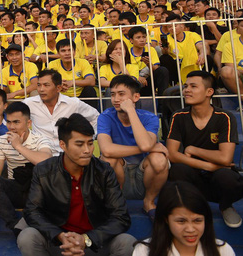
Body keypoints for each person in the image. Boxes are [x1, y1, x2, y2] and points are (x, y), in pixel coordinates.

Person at [16, 113, 136, 256]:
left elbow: (121, 216)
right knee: (27, 236)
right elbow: (32, 211)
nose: (87, 150)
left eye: (90, 143)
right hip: (60, 244)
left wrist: (87, 239)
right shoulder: (44, 171)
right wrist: (59, 236)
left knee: (127, 242)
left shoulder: (104, 171)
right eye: (79, 144)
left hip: (93, 245)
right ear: (63, 145)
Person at [166, 70, 243, 228]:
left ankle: (225, 205)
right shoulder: (178, 116)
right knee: (177, 170)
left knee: (227, 177)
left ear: (209, 92)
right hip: (193, 176)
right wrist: (208, 165)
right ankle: (190, 209)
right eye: (186, 86)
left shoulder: (224, 117)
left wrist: (193, 149)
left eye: (193, 86)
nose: (187, 90)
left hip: (218, 176)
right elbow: (172, 155)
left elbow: (225, 158)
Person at [97, 75, 169, 219]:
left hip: (144, 173)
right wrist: (151, 147)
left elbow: (145, 144)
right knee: (107, 159)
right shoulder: (105, 116)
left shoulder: (149, 118)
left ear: (135, 97)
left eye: (121, 94)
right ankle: (117, 202)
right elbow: (106, 149)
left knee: (159, 159)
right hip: (119, 171)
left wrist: (130, 111)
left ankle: (148, 202)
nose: (116, 99)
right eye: (112, 94)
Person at [0, 101, 53, 235]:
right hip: (16, 188)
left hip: (38, 191)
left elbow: (46, 160)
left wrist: (18, 146)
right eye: (8, 122)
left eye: (16, 122)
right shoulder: (2, 141)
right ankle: (14, 225)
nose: (11, 127)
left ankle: (35, 224)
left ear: (28, 123)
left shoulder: (40, 139)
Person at [132, 181, 236, 256]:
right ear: (166, 219)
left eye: (197, 220)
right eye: (181, 221)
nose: (190, 229)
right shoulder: (144, 251)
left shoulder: (222, 251)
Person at [24, 69, 99, 156]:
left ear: (58, 88)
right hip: (42, 155)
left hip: (69, 155)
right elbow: (13, 119)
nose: (41, 89)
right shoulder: (29, 103)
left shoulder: (73, 103)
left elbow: (96, 118)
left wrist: (88, 138)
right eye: (39, 85)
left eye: (46, 85)